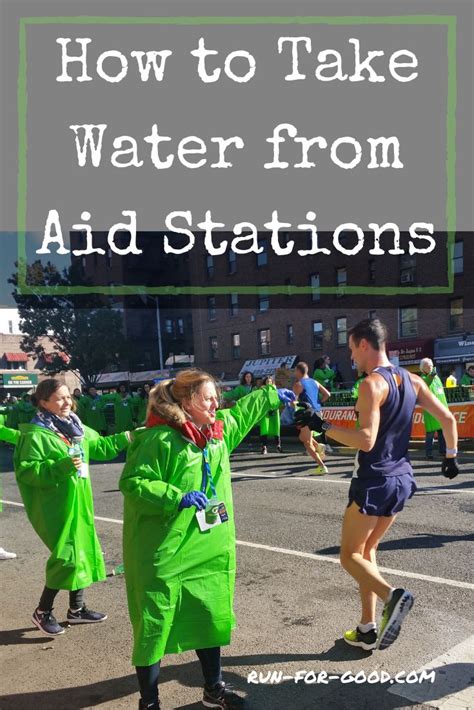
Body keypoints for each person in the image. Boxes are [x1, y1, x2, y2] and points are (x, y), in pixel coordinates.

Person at [119, 369, 295, 710]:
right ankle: (150, 702)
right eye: (208, 398)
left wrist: (271, 395)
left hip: (208, 547)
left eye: (217, 397)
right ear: (186, 402)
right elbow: (135, 482)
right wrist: (174, 496)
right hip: (165, 549)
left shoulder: (216, 433)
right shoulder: (158, 439)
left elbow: (241, 413)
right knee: (154, 625)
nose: (217, 403)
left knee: (208, 615)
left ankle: (214, 688)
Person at [295, 319, 458, 652]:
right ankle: (367, 628)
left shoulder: (371, 385)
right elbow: (448, 419)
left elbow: (366, 441)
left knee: (348, 555)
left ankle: (392, 596)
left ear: (365, 344)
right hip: (401, 478)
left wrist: (322, 425)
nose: (351, 356)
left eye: (352, 348)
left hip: (373, 480)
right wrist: (451, 456)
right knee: (367, 552)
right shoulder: (413, 379)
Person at [14, 378, 132, 637]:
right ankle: (42, 611)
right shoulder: (35, 434)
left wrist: (129, 436)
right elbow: (28, 472)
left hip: (79, 501)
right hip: (56, 506)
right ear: (43, 403)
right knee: (66, 556)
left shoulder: (74, 426)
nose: (67, 402)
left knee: (82, 551)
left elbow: (100, 446)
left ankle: (76, 610)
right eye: (59, 398)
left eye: (68, 396)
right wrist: (63, 466)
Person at [293, 362, 330, 474]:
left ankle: (322, 466)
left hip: (307, 414)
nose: (295, 373)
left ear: (299, 371)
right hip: (318, 412)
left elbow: (294, 401)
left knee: (307, 443)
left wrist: (291, 403)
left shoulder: (299, 384)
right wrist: (318, 403)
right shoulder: (315, 382)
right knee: (302, 437)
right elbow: (328, 394)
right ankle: (319, 446)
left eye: (295, 370)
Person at [419, 358, 448, 460]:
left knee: (441, 432)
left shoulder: (436, 378)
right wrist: (431, 377)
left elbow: (441, 393)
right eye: (428, 366)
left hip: (441, 408)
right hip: (430, 409)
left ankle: (442, 450)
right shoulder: (422, 378)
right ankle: (429, 453)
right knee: (430, 433)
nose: (430, 367)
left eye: (431, 365)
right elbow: (426, 383)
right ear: (423, 368)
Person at [259, 376, 282, 454]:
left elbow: (278, 401)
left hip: (274, 412)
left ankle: (278, 446)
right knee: (264, 429)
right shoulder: (262, 391)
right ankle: (264, 447)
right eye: (267, 382)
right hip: (265, 412)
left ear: (272, 382)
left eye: (270, 381)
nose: (269, 383)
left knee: (276, 429)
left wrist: (274, 409)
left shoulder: (276, 390)